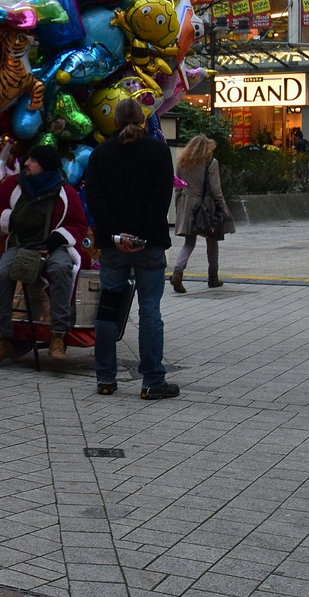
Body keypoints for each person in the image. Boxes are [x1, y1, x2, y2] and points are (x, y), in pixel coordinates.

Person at [83, 98, 178, 400]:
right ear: (142, 119)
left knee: (109, 309)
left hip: (112, 246)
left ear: (115, 122)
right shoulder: (158, 151)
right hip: (149, 245)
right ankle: (152, 381)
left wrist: (115, 235)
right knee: (150, 310)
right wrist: (142, 237)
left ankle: (106, 379)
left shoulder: (100, 154)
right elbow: (161, 198)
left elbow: (95, 199)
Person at [0, 142, 89, 369]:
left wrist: (56, 240)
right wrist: (11, 219)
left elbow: (78, 224)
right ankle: (2, 340)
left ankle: (58, 336)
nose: (26, 163)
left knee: (61, 269)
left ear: (46, 165)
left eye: (33, 160)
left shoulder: (65, 192)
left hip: (54, 247)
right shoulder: (13, 185)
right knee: (1, 275)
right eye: (28, 159)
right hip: (19, 245)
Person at [172, 134, 235, 292]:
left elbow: (177, 186)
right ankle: (213, 277)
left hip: (187, 203)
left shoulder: (183, 162)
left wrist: (178, 205)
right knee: (212, 240)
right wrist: (223, 208)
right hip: (205, 205)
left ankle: (177, 273)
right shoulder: (211, 162)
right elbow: (215, 189)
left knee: (189, 242)